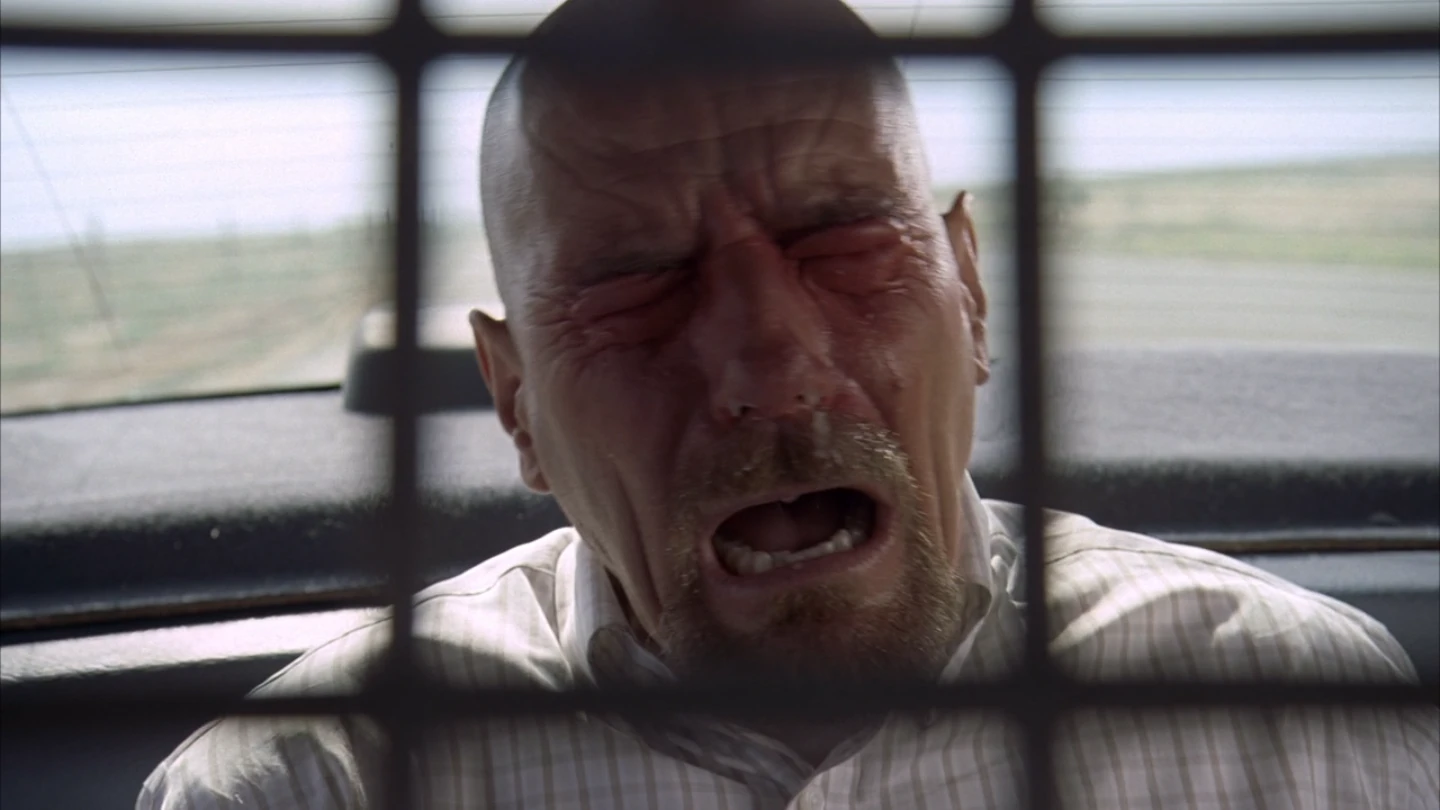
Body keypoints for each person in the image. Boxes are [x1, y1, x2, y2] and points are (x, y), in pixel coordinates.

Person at [138, 0, 1438, 807]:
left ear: (972, 296)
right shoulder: (314, 781)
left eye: (842, 237)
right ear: (517, 401)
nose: (769, 366)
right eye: (636, 283)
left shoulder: (1291, 717)